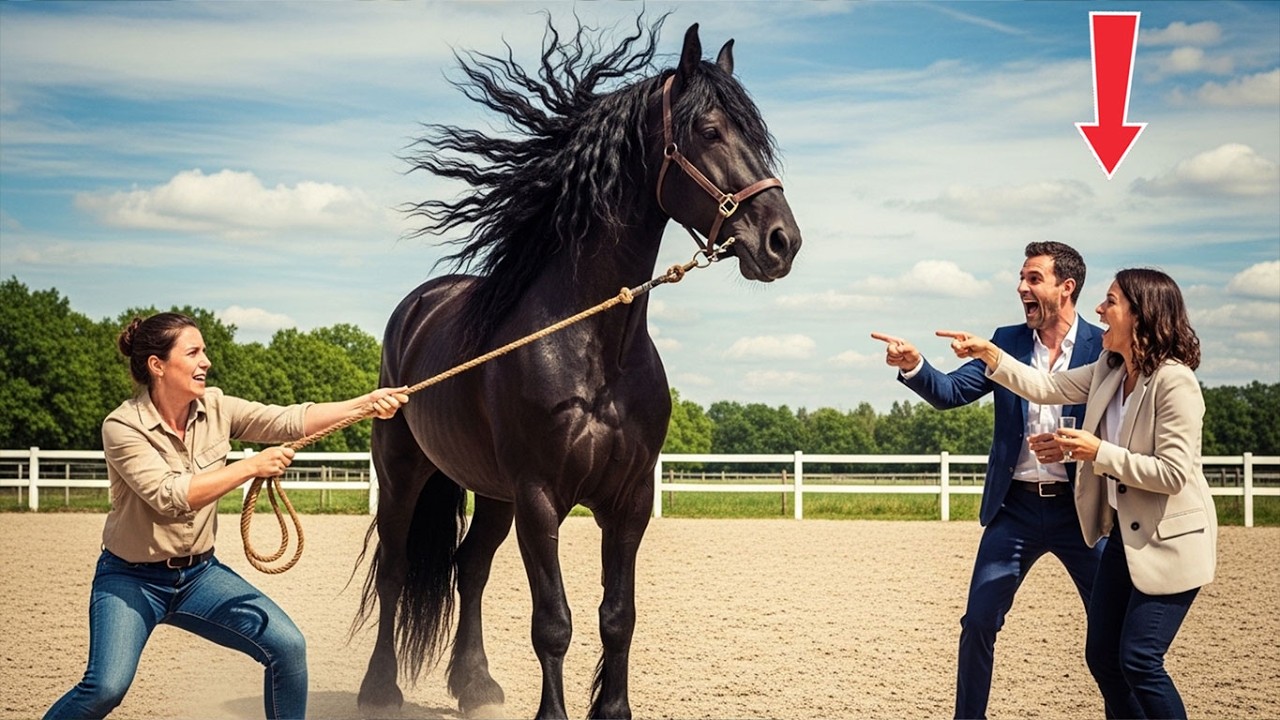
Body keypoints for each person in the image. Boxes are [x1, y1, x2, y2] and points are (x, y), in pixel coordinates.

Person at [45, 312, 410, 720]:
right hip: (131, 579)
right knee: (105, 687)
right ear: (157, 365)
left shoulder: (216, 406)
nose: (206, 361)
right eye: (194, 352)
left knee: (287, 647)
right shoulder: (123, 426)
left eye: (205, 352)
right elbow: (170, 496)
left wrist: (365, 404)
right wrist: (251, 466)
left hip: (199, 576)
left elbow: (288, 419)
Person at [940, 268, 1217, 719]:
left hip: (1168, 543)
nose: (1099, 310)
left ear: (1140, 314)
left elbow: (1172, 474)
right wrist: (991, 353)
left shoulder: (1174, 382)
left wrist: (1096, 451)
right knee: (1103, 658)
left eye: (1110, 302)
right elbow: (1044, 387)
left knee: (1140, 661)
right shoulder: (1110, 369)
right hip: (1124, 543)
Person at [871, 241, 1105, 720]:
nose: (1022, 287)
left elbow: (1121, 423)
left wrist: (1075, 445)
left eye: (1033, 278)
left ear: (1067, 287)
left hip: (1081, 512)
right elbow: (952, 391)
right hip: (1014, 510)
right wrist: (915, 365)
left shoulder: (1103, 347)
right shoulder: (1007, 341)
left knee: (1112, 626)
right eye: (1021, 278)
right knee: (978, 622)